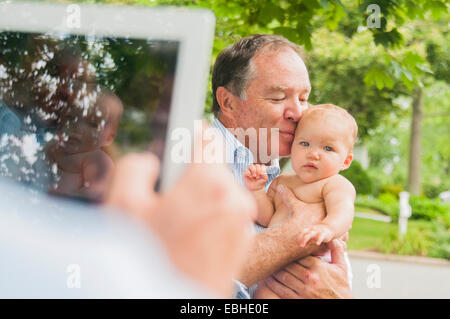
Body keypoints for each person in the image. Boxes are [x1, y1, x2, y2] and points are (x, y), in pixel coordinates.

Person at [211, 34, 353, 298]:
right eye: (278, 98)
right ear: (228, 102)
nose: (298, 113)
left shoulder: (298, 178)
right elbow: (185, 285)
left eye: (303, 98)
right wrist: (294, 235)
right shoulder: (188, 165)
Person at [244, 104, 357, 298]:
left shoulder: (334, 184)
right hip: (275, 269)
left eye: (328, 148)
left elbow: (344, 212)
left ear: (346, 161)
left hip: (315, 268)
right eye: (304, 144)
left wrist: (327, 228)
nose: (313, 153)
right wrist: (256, 191)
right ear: (292, 145)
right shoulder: (281, 181)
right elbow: (266, 218)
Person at [47, 90, 123, 201]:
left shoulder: (97, 159)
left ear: (108, 138)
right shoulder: (53, 147)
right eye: (71, 117)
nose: (77, 127)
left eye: (93, 124)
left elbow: (97, 194)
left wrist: (61, 195)